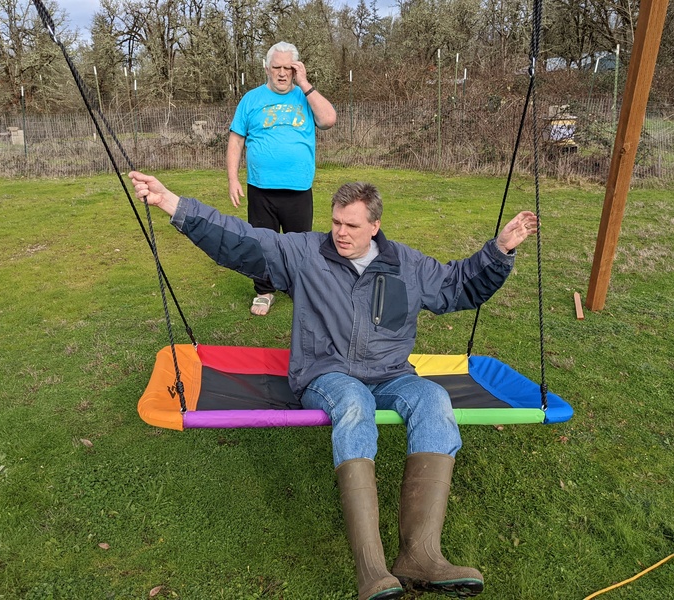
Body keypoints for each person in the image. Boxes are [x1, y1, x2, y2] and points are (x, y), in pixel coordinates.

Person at [129, 170, 539, 600]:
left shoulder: (407, 264)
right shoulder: (306, 253)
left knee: (434, 398)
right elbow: (241, 240)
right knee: (355, 401)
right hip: (325, 373)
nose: (340, 233)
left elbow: (457, 287)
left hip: (391, 374)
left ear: (375, 226)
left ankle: (420, 555)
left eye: (352, 226)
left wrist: (500, 250)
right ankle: (371, 568)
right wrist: (172, 204)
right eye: (336, 222)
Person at [227, 41, 337, 316]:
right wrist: (232, 179)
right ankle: (264, 292)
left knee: (300, 244)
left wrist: (306, 83)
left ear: (296, 69)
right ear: (266, 68)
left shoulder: (305, 96)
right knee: (261, 242)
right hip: (261, 189)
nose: (282, 73)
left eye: (288, 67)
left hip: (298, 189)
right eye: (276, 67)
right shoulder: (251, 100)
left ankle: (300, 288)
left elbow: (329, 120)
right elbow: (236, 140)